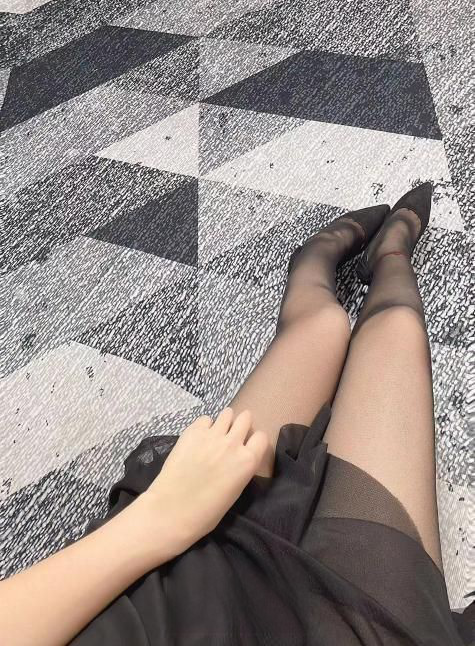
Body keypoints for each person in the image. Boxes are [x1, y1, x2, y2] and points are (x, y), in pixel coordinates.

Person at [0, 183, 473, 646]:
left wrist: (160, 515)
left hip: (174, 587)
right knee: (397, 329)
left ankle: (316, 256)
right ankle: (391, 253)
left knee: (324, 328)